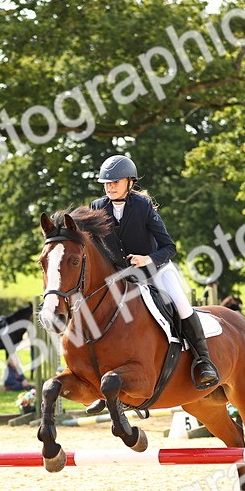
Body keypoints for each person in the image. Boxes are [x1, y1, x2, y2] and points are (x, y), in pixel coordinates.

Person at [89, 154, 218, 389]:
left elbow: (170, 247)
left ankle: (204, 361)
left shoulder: (143, 206)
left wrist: (147, 258)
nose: (109, 187)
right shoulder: (97, 207)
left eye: (114, 182)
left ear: (130, 182)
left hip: (155, 270)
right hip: (121, 276)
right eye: (106, 183)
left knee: (181, 303)